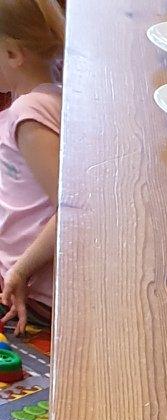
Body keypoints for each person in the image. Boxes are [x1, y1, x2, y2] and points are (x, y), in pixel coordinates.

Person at [0, 0, 63, 333]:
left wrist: (22, 270)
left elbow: (69, 209)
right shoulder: (49, 92)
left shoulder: (30, 115)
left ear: (12, 54)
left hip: (29, 288)